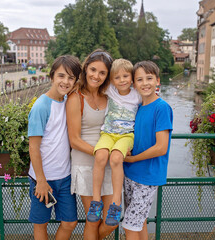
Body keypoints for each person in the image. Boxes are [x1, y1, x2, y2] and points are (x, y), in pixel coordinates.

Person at [27, 55, 81, 240]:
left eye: (71, 77)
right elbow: (33, 147)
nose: (65, 81)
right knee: (41, 224)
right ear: (52, 77)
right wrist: (41, 181)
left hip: (64, 177)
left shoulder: (67, 101)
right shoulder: (41, 106)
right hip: (43, 179)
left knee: (70, 222)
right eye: (61, 76)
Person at [66, 49, 116, 240]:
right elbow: (74, 140)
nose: (96, 76)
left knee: (112, 220)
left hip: (109, 164)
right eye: (93, 70)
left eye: (102, 73)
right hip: (86, 163)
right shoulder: (75, 97)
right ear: (86, 68)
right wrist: (102, 153)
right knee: (92, 220)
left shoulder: (109, 97)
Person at [122, 61, 173, 240]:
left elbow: (161, 147)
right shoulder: (137, 108)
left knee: (129, 226)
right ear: (134, 84)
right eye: (140, 79)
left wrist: (134, 159)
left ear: (157, 81)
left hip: (147, 176)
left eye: (149, 78)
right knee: (138, 222)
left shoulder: (161, 107)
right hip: (130, 173)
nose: (145, 83)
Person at [87, 59, 141, 226]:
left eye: (126, 76)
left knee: (117, 159)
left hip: (126, 136)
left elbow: (151, 99)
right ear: (111, 80)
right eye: (117, 77)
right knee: (101, 156)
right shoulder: (110, 90)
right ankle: (96, 201)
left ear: (132, 78)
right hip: (108, 133)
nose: (122, 80)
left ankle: (116, 203)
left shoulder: (137, 94)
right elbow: (93, 83)